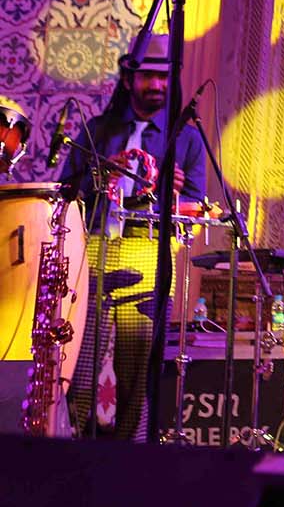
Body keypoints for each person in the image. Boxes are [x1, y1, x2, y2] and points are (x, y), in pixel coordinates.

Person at [52, 34, 209, 439]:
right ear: (128, 79)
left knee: (137, 375)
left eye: (162, 77)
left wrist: (172, 196)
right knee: (79, 373)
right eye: (147, 77)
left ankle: (129, 466)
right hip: (96, 250)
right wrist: (99, 177)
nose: (156, 85)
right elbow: (65, 197)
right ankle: (71, 460)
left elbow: (196, 211)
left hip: (149, 250)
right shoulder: (97, 132)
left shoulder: (187, 138)